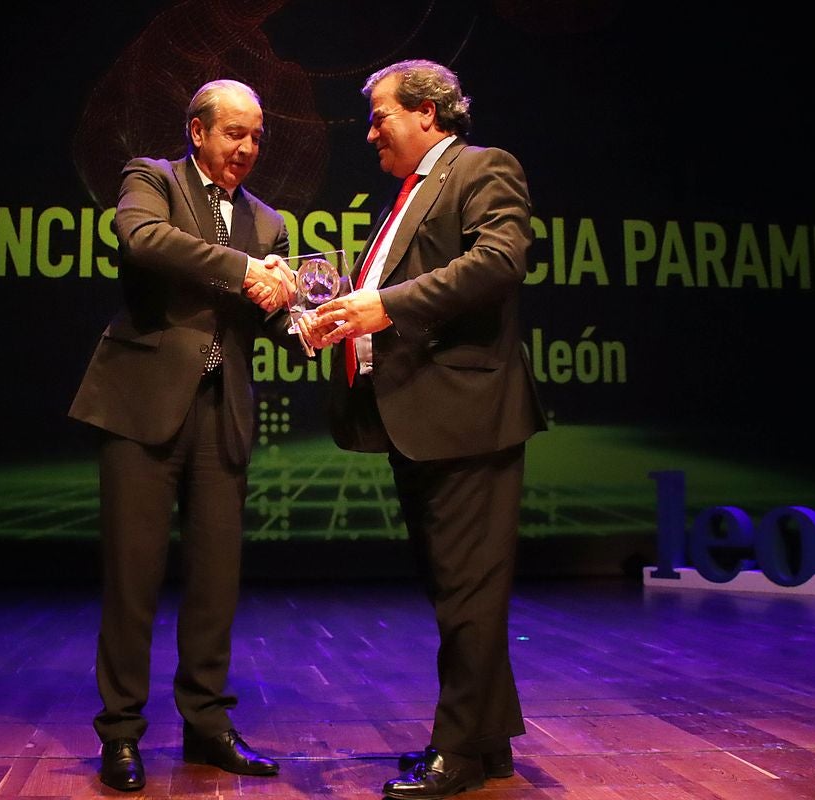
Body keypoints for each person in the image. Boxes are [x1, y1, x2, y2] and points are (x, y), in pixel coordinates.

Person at [299, 60, 547, 799]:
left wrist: (386, 306)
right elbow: (388, 297)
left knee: (468, 590)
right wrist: (344, 313)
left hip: (468, 415)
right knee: (460, 590)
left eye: (380, 115)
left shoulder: (480, 168)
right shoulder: (408, 194)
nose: (370, 130)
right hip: (426, 419)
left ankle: (458, 755)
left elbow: (500, 261)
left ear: (428, 115)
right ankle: (491, 744)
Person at [69, 78, 298, 792]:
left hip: (220, 410)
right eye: (235, 133)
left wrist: (303, 319)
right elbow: (143, 242)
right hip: (142, 406)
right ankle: (122, 734)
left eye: (257, 136)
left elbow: (264, 316)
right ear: (197, 132)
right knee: (132, 579)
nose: (248, 148)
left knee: (214, 582)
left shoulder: (270, 222)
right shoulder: (152, 179)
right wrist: (242, 269)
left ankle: (206, 725)